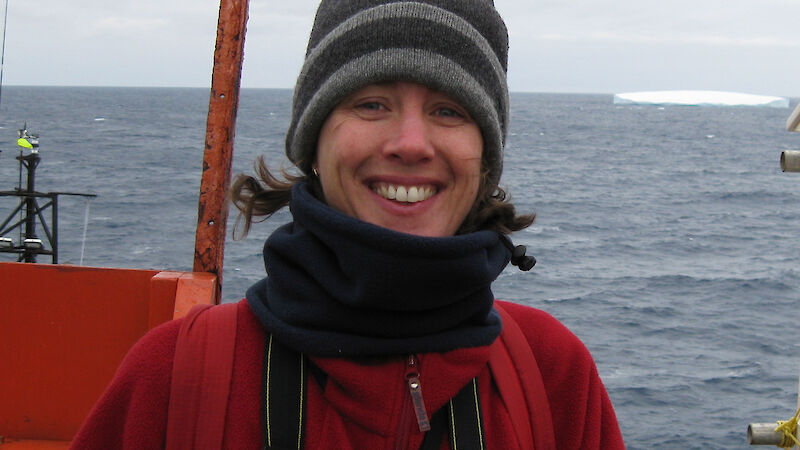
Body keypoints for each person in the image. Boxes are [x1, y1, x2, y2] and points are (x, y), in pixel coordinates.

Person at [71, 0, 625, 448]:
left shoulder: (551, 374)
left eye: (449, 111)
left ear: (484, 157)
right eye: (371, 103)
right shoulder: (178, 375)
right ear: (314, 142)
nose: (410, 143)